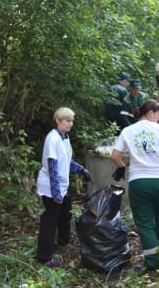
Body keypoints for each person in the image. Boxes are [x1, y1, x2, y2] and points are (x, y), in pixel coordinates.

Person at [111, 99, 159, 271]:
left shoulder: (128, 130)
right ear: (151, 112)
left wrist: (122, 167)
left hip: (139, 182)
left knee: (144, 223)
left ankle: (152, 262)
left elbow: (115, 155)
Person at [36, 107, 91, 267]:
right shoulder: (52, 139)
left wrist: (81, 170)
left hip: (62, 185)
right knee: (50, 221)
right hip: (51, 186)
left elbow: (66, 162)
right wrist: (56, 193)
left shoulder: (64, 138)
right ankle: (44, 256)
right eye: (67, 121)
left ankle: (63, 241)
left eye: (71, 121)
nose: (70, 124)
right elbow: (53, 167)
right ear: (58, 121)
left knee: (65, 213)